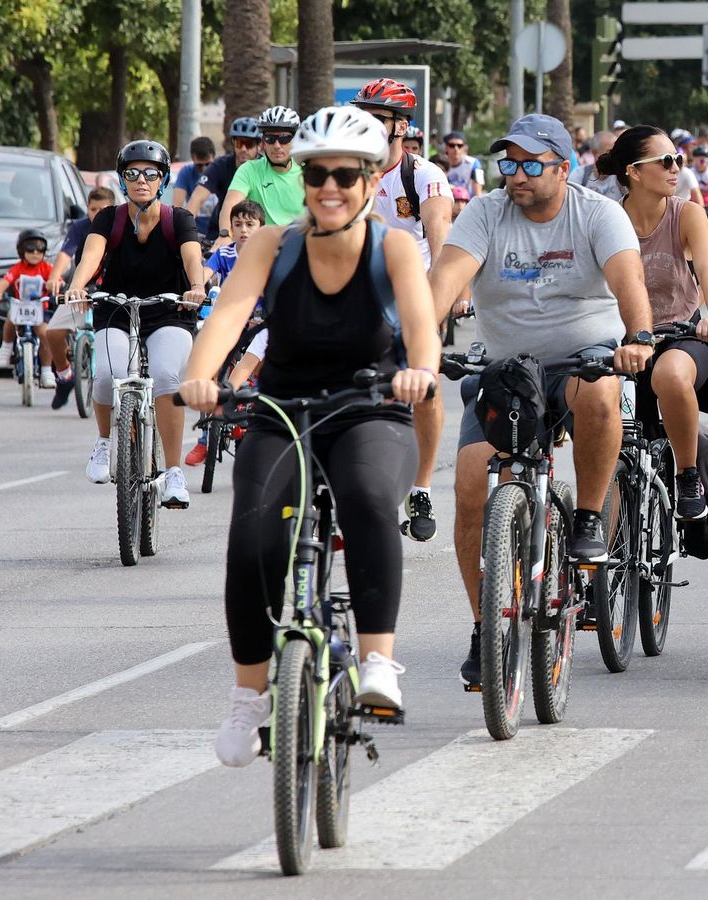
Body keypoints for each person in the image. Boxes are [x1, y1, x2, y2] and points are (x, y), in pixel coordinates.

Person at [179, 106, 438, 766]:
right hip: (283, 409)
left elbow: (422, 330)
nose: (330, 187)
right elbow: (226, 317)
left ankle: (379, 660)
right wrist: (201, 379)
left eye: (346, 175)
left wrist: (420, 372)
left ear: (370, 182)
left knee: (368, 500)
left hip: (371, 409)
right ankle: (248, 698)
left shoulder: (394, 247)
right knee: (254, 531)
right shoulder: (274, 244)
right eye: (317, 172)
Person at [425, 113, 655, 690]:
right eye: (509, 163)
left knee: (601, 393)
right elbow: (444, 282)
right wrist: (417, 343)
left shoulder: (597, 213)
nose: (517, 176)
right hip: (506, 367)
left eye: (531, 165)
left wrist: (639, 339)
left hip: (584, 357)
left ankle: (586, 521)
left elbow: (631, 287)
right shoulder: (484, 211)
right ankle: (486, 629)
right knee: (473, 485)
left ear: (563, 167)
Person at [607, 124, 708, 520]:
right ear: (634, 172)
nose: (677, 168)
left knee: (672, 376)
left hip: (680, 335)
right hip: (619, 341)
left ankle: (687, 474)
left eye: (678, 159)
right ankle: (595, 553)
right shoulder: (607, 217)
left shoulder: (687, 213)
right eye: (665, 161)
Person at [64, 140, 208, 509]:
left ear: (161, 180)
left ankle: (174, 472)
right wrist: (78, 286)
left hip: (169, 311)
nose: (140, 180)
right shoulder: (108, 219)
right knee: (104, 375)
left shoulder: (180, 220)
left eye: (150, 173)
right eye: (132, 173)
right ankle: (103, 442)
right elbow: (92, 255)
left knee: (165, 376)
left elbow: (193, 258)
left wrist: (196, 288)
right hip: (116, 308)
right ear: (121, 179)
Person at [351, 77, 454, 544]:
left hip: (415, 292)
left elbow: (440, 239)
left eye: (379, 118)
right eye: (363, 117)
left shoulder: (424, 175)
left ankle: (421, 486)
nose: (369, 126)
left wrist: (442, 303)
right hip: (360, 294)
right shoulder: (347, 170)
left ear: (402, 126)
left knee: (424, 388)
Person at [184, 199, 266, 467]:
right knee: (212, 368)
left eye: (250, 224)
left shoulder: (268, 255)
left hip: (259, 323)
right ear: (229, 228)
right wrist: (197, 287)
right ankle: (206, 437)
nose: (243, 229)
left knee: (263, 366)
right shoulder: (225, 254)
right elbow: (205, 273)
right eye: (238, 224)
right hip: (230, 322)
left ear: (261, 228)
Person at [46, 187, 116, 410]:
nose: (97, 214)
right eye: (93, 209)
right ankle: (65, 376)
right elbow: (66, 253)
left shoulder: (122, 226)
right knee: (53, 332)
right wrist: (55, 276)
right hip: (82, 289)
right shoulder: (80, 227)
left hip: (113, 291)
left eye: (103, 209)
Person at [216, 106, 304, 244]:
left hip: (299, 248)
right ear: (262, 143)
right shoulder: (249, 170)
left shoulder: (307, 172)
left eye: (284, 138)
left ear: (295, 141)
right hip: (260, 249)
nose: (276, 145)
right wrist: (225, 235)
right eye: (270, 138)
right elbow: (230, 205)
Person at [0, 229, 56, 386]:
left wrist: (55, 284)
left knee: (45, 334)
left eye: (40, 249)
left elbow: (56, 280)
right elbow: (5, 281)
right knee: (10, 320)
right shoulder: (18, 268)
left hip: (40, 310)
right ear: (21, 250)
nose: (35, 253)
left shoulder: (46, 268)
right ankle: (5, 348)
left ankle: (46, 370)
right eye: (30, 249)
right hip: (20, 308)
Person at [188, 117, 261, 238]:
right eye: (239, 143)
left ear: (259, 145)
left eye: (248, 144)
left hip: (257, 233)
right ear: (233, 143)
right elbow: (197, 199)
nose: (243, 149)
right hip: (221, 232)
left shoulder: (266, 168)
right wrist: (185, 233)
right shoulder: (220, 165)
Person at [172, 136, 218, 233]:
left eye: (208, 164)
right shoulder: (186, 172)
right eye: (199, 165)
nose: (205, 169)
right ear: (193, 158)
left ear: (214, 156)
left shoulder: (222, 170)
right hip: (195, 232)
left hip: (220, 231)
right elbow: (177, 206)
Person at [570, 130, 625, 201]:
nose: (616, 156)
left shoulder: (621, 177)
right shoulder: (579, 175)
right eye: (610, 152)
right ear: (594, 153)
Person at [440, 131, 484, 198]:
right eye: (452, 145)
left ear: (464, 148)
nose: (456, 148)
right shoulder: (440, 163)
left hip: (468, 203)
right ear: (446, 147)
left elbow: (478, 193)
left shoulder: (474, 163)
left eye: (459, 146)